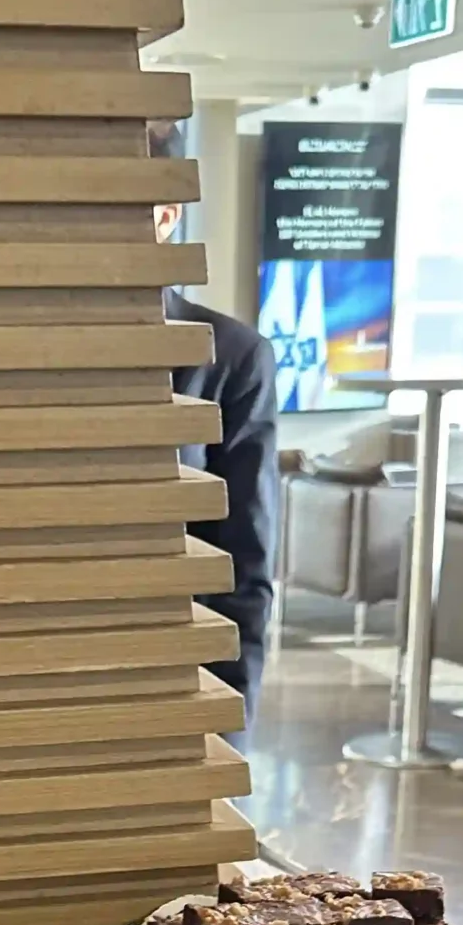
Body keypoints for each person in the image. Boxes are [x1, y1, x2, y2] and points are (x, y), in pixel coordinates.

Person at [153, 130, 280, 735]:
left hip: (178, 673)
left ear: (165, 217)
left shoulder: (230, 355)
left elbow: (244, 558)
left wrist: (230, 721)